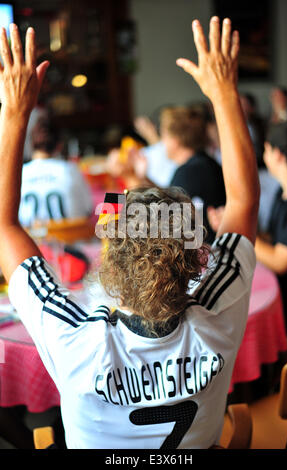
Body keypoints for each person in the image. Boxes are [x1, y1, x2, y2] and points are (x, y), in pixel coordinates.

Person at [0, 18, 259, 449]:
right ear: (197, 262)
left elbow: (5, 225)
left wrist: (13, 110)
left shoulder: (76, 342)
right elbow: (245, 204)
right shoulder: (217, 317)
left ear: (109, 271)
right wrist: (226, 93)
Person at [255, 120, 287, 336]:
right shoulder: (282, 192)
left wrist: (241, 231)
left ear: (279, 155)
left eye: (266, 149)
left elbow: (280, 261)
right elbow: (272, 238)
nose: (265, 155)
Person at [162, 105, 226, 243]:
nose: (163, 143)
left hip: (203, 252)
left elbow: (164, 220)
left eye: (165, 136)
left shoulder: (188, 173)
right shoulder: (205, 162)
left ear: (175, 140)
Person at [19, 116, 93, 227]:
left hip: (31, 241)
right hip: (72, 240)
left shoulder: (20, 174)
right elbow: (88, 209)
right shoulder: (71, 170)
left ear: (31, 144)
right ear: (59, 145)